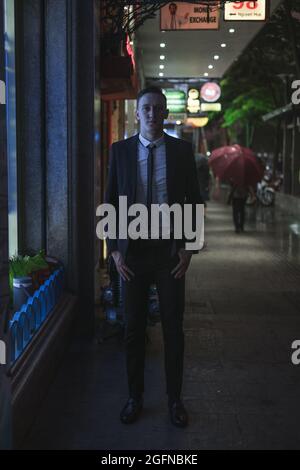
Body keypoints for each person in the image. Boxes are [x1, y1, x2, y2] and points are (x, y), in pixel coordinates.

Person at [105, 86, 202, 428]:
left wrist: (190, 248)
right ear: (137, 113)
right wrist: (115, 250)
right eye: (146, 108)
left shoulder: (181, 152)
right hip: (132, 256)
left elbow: (194, 200)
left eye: (158, 109)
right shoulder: (120, 151)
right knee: (132, 328)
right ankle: (135, 398)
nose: (151, 113)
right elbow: (110, 204)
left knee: (174, 328)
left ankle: (175, 400)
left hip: (168, 254)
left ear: (165, 114)